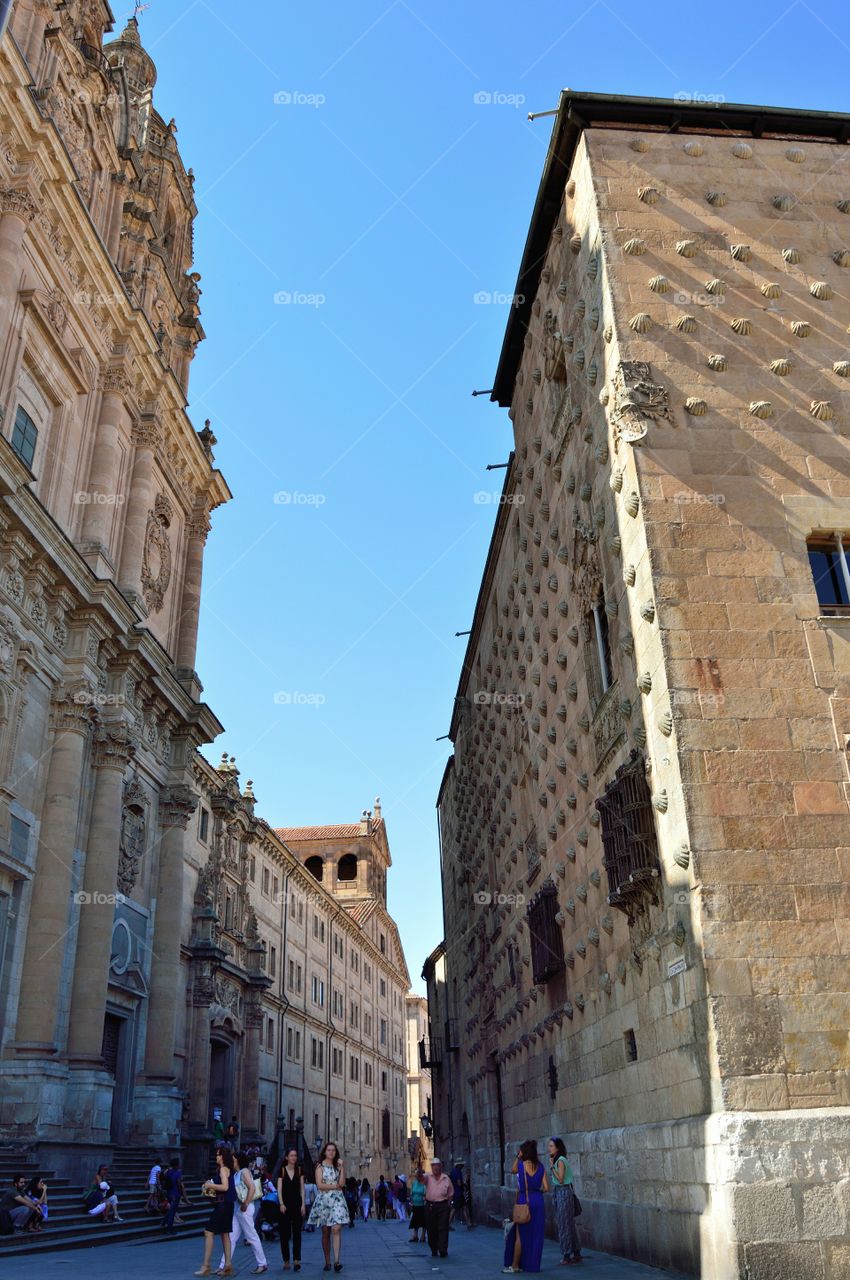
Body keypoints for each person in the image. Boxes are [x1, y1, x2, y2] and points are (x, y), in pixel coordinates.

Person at [217, 1150, 268, 1275]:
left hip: (245, 1208)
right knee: (231, 1237)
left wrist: (246, 1203)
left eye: (233, 1158)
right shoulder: (236, 1174)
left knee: (251, 1236)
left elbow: (252, 1187)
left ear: (238, 1160)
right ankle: (223, 1264)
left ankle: (262, 1264)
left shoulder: (244, 1171)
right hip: (237, 1208)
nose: (232, 1160)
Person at [502, 1139, 548, 1275]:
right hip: (538, 1202)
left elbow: (512, 1169)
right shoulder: (540, 1167)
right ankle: (532, 1265)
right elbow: (546, 1187)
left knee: (520, 1236)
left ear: (524, 1152)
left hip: (524, 1201)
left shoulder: (521, 1165)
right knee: (536, 1235)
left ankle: (515, 1265)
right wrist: (537, 1192)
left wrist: (518, 1156)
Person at [305, 1140, 348, 1272]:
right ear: (324, 1152)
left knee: (336, 1229)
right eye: (329, 1150)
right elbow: (320, 1185)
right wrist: (335, 1186)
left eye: (333, 1150)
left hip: (337, 1201)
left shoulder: (337, 1166)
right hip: (324, 1201)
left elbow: (342, 1183)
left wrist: (342, 1168)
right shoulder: (320, 1167)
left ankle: (336, 1261)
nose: (331, 1152)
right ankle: (327, 1261)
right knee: (325, 1232)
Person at [195, 1146, 236, 1276]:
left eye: (218, 1155)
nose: (216, 1157)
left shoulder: (223, 1169)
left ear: (223, 1157)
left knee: (208, 1232)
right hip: (227, 1204)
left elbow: (225, 1187)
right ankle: (228, 1265)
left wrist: (209, 1185)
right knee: (225, 1235)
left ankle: (206, 1266)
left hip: (223, 1205)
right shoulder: (225, 1169)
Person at [549, 1137, 581, 1265]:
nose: (549, 1148)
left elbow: (561, 1179)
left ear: (557, 1148)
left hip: (563, 1192)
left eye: (551, 1146)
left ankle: (566, 1254)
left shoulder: (560, 1161)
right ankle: (576, 1252)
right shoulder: (560, 1160)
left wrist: (552, 1167)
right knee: (569, 1224)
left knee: (563, 1224)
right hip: (561, 1192)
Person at [276, 1147, 305, 1271]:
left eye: (295, 1155)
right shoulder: (282, 1171)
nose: (294, 1157)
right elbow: (279, 1188)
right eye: (292, 1155)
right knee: (285, 1233)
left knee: (297, 1233)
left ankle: (297, 1259)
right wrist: (281, 1203)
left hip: (297, 1205)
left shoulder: (299, 1170)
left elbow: (302, 1189)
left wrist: (303, 1204)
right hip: (285, 1206)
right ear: (287, 1157)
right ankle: (286, 1260)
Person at [423, 1157, 453, 1259]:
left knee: (443, 1228)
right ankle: (434, 1249)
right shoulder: (427, 1177)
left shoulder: (446, 1178)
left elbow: (451, 1193)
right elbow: (420, 1179)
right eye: (433, 1166)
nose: (435, 1168)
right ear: (431, 1167)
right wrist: (418, 1171)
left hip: (443, 1205)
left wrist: (449, 1204)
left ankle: (443, 1249)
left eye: (437, 1166)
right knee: (431, 1229)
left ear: (440, 1167)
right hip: (430, 1206)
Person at [162, 1157, 185, 1234]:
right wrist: (181, 1192)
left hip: (169, 1193)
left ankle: (163, 1222)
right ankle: (169, 1229)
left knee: (171, 1210)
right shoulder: (178, 1173)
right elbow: (179, 1183)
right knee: (173, 1211)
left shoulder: (168, 1172)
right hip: (176, 1194)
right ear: (177, 1165)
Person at [408, 1168, 426, 1243]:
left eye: (419, 1175)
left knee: (423, 1221)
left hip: (422, 1205)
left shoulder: (424, 1183)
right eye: (417, 1175)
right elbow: (412, 1193)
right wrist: (411, 1202)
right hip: (415, 1205)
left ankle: (423, 1235)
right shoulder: (414, 1183)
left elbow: (426, 1193)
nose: (418, 1177)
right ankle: (415, 1235)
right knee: (415, 1220)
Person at [449, 1163, 465, 1227]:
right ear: (459, 1165)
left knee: (464, 1207)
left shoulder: (453, 1171)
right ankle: (448, 1223)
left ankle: (469, 1223)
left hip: (455, 1192)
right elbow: (459, 1183)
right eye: (461, 1165)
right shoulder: (458, 1172)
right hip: (458, 1193)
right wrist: (463, 1185)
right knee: (454, 1208)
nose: (462, 1166)